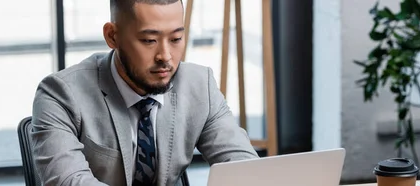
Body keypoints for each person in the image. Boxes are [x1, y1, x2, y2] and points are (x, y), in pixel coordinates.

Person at [30, 0, 259, 185]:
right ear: (112, 36)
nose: (165, 56)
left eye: (176, 38)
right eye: (149, 40)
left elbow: (246, 171)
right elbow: (69, 181)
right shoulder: (60, 94)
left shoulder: (200, 86)